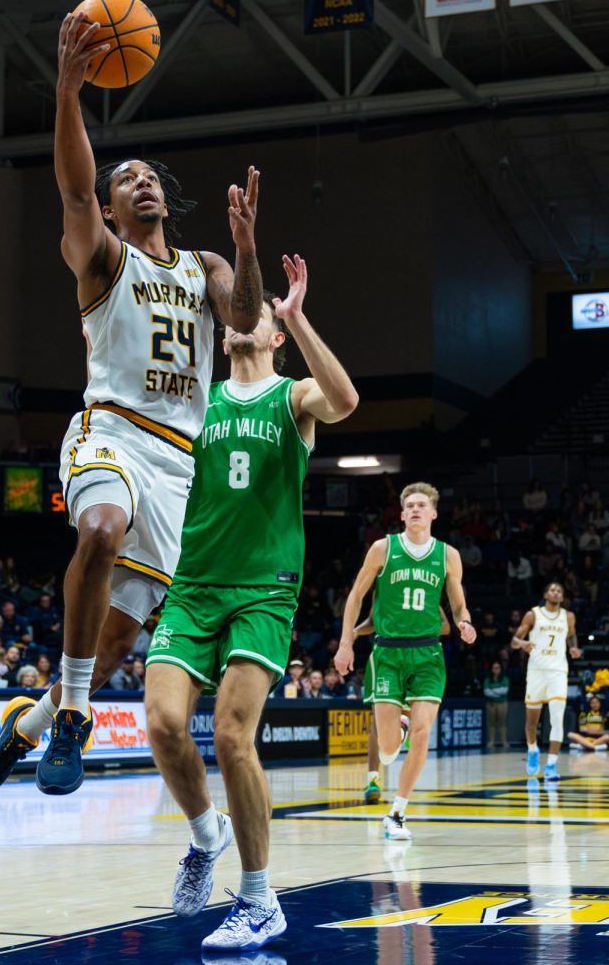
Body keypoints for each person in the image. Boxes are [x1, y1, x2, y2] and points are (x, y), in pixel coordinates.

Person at [0, 9, 263, 799]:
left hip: (181, 464)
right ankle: (72, 723)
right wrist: (68, 91)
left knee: (115, 642)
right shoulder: (102, 257)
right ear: (110, 203)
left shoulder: (203, 265)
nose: (143, 180)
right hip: (112, 432)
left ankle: (27, 723)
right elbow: (71, 185)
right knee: (98, 529)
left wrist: (244, 247)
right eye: (125, 176)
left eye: (150, 175)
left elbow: (243, 323)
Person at [145, 255, 358, 951]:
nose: (241, 318)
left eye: (257, 312)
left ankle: (261, 898)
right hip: (193, 584)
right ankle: (207, 838)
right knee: (163, 724)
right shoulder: (195, 398)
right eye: (234, 311)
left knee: (234, 737)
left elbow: (347, 401)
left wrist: (297, 313)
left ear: (272, 335)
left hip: (263, 589)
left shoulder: (292, 397)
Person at [336, 484, 476, 839]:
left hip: (428, 653)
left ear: (433, 514)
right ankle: (396, 727)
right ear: (401, 514)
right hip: (387, 652)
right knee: (385, 750)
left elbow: (458, 604)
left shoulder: (448, 555)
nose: (415, 509)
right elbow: (355, 597)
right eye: (409, 505)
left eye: (421, 505)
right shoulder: (383, 548)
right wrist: (346, 643)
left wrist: (465, 622)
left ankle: (397, 812)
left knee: (423, 732)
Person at [353, 605, 450, 805]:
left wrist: (416, 627)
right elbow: (371, 623)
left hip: (419, 655)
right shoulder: (384, 587)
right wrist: (353, 632)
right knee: (377, 722)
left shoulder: (429, 592)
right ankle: (373, 779)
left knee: (408, 716)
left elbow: (446, 627)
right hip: (386, 655)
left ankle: (402, 731)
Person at [511, 581, 581, 782]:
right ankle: (532, 748)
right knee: (532, 721)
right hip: (536, 672)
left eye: (560, 590)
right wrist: (523, 643)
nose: (556, 592)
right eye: (552, 589)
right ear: (545, 594)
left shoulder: (568, 616)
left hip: (558, 672)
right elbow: (514, 641)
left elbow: (572, 636)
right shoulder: (533, 615)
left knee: (557, 719)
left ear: (563, 596)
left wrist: (573, 648)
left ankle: (551, 764)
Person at [484, 660, 510, 749]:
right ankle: (491, 742)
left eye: (497, 668)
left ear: (500, 669)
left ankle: (504, 742)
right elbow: (487, 692)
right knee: (492, 723)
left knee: (502, 723)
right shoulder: (488, 680)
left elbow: (504, 691)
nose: (496, 669)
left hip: (502, 703)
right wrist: (498, 692)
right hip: (491, 703)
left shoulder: (505, 679)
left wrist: (493, 691)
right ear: (491, 669)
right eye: (494, 668)